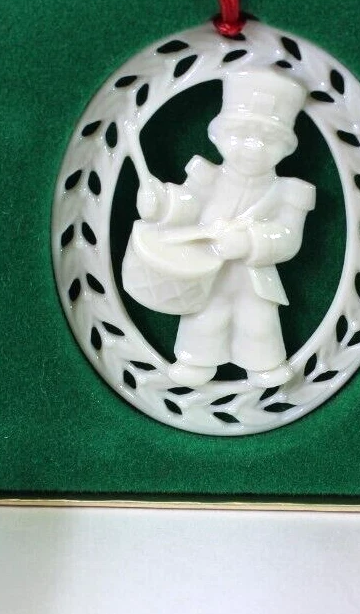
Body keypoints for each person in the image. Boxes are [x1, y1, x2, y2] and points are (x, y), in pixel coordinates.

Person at [129, 68, 315, 389]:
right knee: (206, 316)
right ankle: (196, 361)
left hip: (254, 278)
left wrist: (250, 243)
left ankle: (265, 365)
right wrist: (159, 203)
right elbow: (187, 205)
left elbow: (288, 237)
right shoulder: (206, 175)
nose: (253, 147)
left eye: (268, 140)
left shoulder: (290, 192)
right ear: (217, 136)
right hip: (205, 271)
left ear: (287, 148)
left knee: (258, 322)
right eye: (240, 135)